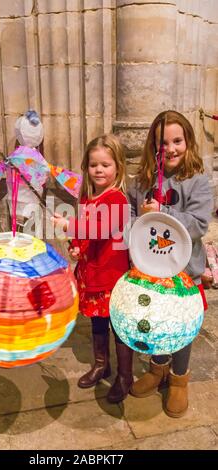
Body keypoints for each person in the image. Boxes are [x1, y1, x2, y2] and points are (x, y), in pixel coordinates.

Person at [128, 110, 213, 417]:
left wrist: (163, 212)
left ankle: (179, 380)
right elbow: (131, 220)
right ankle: (157, 368)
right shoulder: (141, 182)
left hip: (183, 269)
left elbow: (199, 224)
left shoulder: (198, 181)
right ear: (154, 146)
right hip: (150, 269)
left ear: (188, 141)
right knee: (156, 323)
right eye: (164, 143)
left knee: (180, 326)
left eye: (178, 141)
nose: (172, 148)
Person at [52, 134, 133, 403]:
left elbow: (100, 230)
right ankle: (101, 365)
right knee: (97, 321)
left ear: (118, 167)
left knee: (119, 327)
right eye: (93, 164)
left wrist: (68, 225)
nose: (98, 170)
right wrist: (77, 246)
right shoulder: (87, 198)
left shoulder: (117, 200)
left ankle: (124, 376)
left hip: (112, 275)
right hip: (91, 273)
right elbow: (86, 236)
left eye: (105, 165)